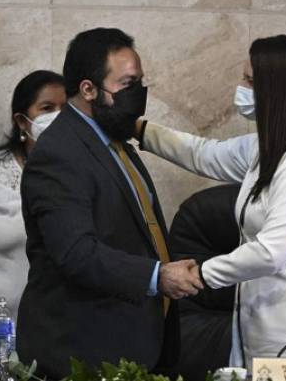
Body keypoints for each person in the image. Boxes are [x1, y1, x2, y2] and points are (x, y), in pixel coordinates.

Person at [137, 35, 286, 369]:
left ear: (278, 91)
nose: (240, 89)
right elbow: (205, 154)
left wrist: (202, 273)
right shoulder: (270, 147)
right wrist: (140, 129)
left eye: (249, 81)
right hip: (261, 333)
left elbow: (272, 251)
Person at [16, 28, 203, 379]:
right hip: (81, 352)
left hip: (134, 343)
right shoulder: (59, 153)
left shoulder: (114, 141)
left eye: (140, 82)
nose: (139, 95)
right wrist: (157, 277)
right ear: (88, 89)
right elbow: (75, 252)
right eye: (128, 84)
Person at [0, 70, 66, 373]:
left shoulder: (82, 172)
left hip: (60, 334)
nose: (57, 117)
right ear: (22, 121)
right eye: (47, 109)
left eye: (65, 109)